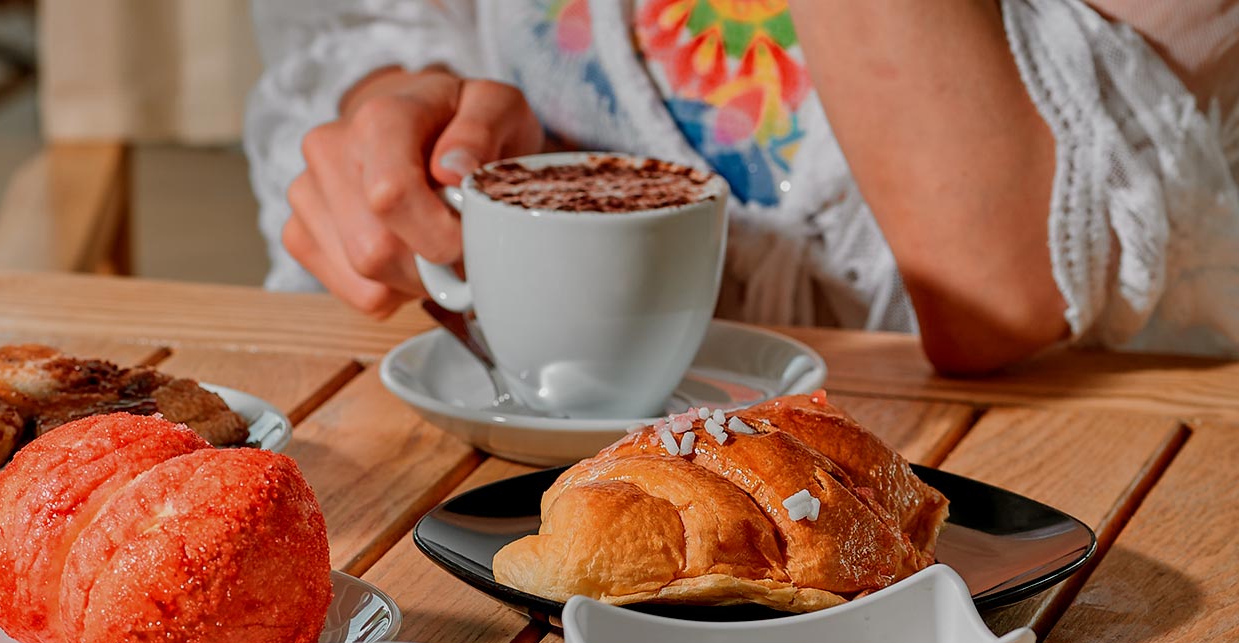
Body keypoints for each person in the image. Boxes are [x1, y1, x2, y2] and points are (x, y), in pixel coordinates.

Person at [245, 0, 1239, 373]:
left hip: (1052, 521)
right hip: (533, 465)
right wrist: (406, 115)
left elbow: (999, 277)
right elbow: (377, 29)